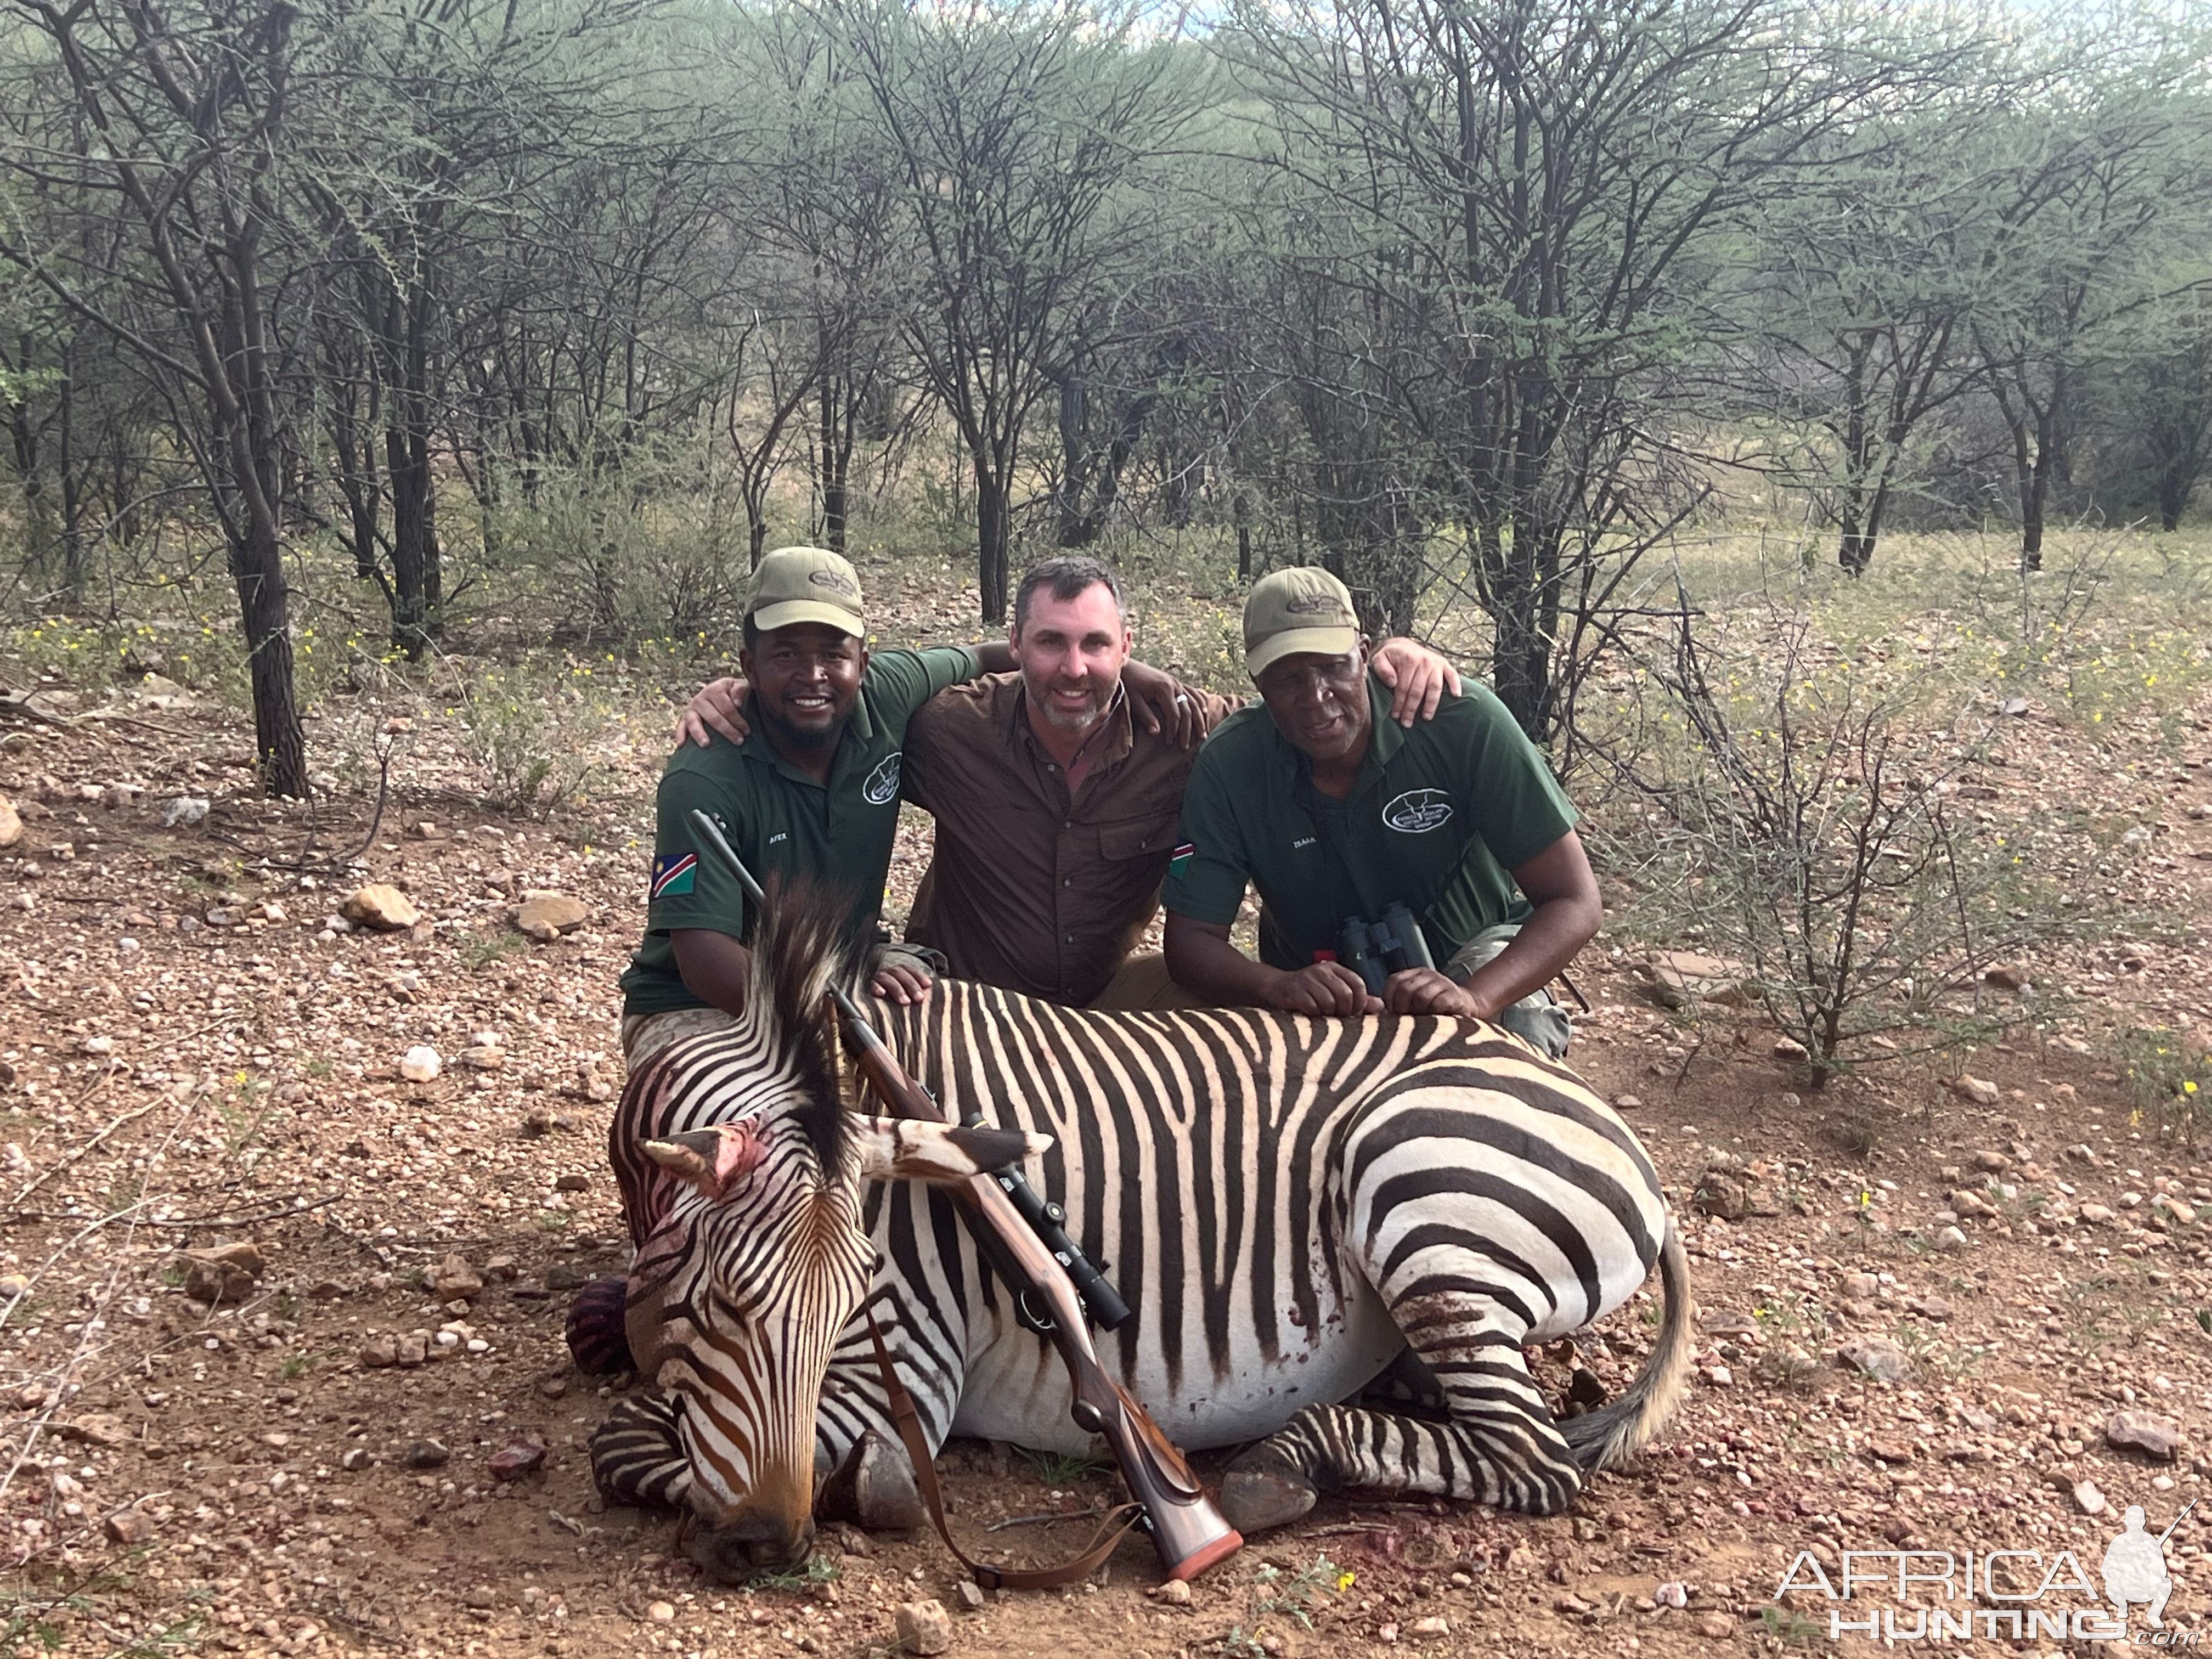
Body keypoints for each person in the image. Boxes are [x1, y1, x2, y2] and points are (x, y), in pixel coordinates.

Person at [677, 555, 1463, 1010]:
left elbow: (1299, 704)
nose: (1074, 668)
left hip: (1105, 1002)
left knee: (1255, 1021)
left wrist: (1393, 655)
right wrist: (736, 692)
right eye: (1051, 643)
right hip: (960, 1002)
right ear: (1015, 643)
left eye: (1095, 644)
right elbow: (822, 696)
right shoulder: (944, 727)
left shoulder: (1194, 736)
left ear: (1127, 645)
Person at [618, 545, 1192, 1063]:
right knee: (777, 1144)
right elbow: (703, 961)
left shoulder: (889, 694)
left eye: (833, 654)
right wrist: (843, 996)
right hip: (698, 1007)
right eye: (785, 655)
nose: (812, 675)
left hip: (844, 980)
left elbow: (983, 654)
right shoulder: (704, 774)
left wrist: (1118, 672)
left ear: (864, 662)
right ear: (748, 666)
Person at [1160, 566, 1601, 1058]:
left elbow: (1574, 899)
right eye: (1288, 679)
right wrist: (1276, 986)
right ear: (1257, 682)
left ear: (1365, 654)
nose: (1316, 697)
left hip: (1471, 963)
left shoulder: (1461, 719)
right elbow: (1191, 942)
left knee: (1518, 1042)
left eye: (1333, 667)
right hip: (1320, 993)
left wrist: (1476, 997)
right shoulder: (1230, 763)